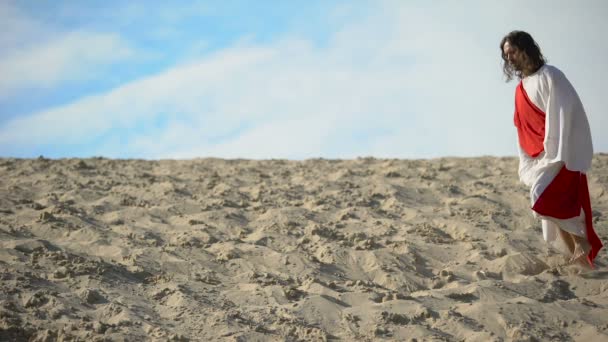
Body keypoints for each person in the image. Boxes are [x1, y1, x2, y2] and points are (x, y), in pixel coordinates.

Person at [500, 30, 603, 267]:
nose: (510, 58)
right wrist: (527, 155)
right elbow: (521, 124)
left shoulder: (551, 75)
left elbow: (568, 112)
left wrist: (558, 147)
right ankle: (578, 254)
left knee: (543, 198)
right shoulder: (520, 88)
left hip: (559, 151)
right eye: (506, 55)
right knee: (550, 205)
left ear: (526, 49)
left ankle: (580, 245)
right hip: (539, 155)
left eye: (512, 52)